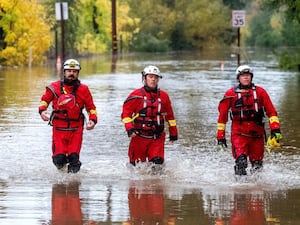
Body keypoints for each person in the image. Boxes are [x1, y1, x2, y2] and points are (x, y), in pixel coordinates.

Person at [216, 65, 282, 175]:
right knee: (241, 162)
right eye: (243, 75)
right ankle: (239, 189)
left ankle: (255, 189)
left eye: (248, 75)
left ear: (251, 77)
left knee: (257, 166)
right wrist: (220, 137)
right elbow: (222, 117)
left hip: (257, 134)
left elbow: (272, 112)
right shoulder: (230, 94)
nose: (246, 78)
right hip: (239, 134)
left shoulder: (261, 92)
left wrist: (275, 129)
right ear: (238, 78)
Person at [38, 59, 98, 173]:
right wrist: (42, 111)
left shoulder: (84, 90)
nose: (71, 73)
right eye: (69, 71)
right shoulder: (54, 87)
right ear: (64, 72)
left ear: (78, 73)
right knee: (59, 160)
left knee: (74, 160)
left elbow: (91, 108)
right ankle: (60, 183)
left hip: (76, 129)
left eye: (74, 71)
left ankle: (73, 186)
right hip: (59, 128)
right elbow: (44, 101)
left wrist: (93, 121)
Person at [121, 65, 178, 169]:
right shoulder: (136, 95)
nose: (153, 79)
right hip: (138, 137)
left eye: (155, 77)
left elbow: (170, 116)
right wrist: (129, 128)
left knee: (157, 166)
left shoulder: (164, 96)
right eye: (150, 77)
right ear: (144, 78)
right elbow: (125, 114)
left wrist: (173, 132)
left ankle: (156, 185)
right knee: (136, 167)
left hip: (157, 138)